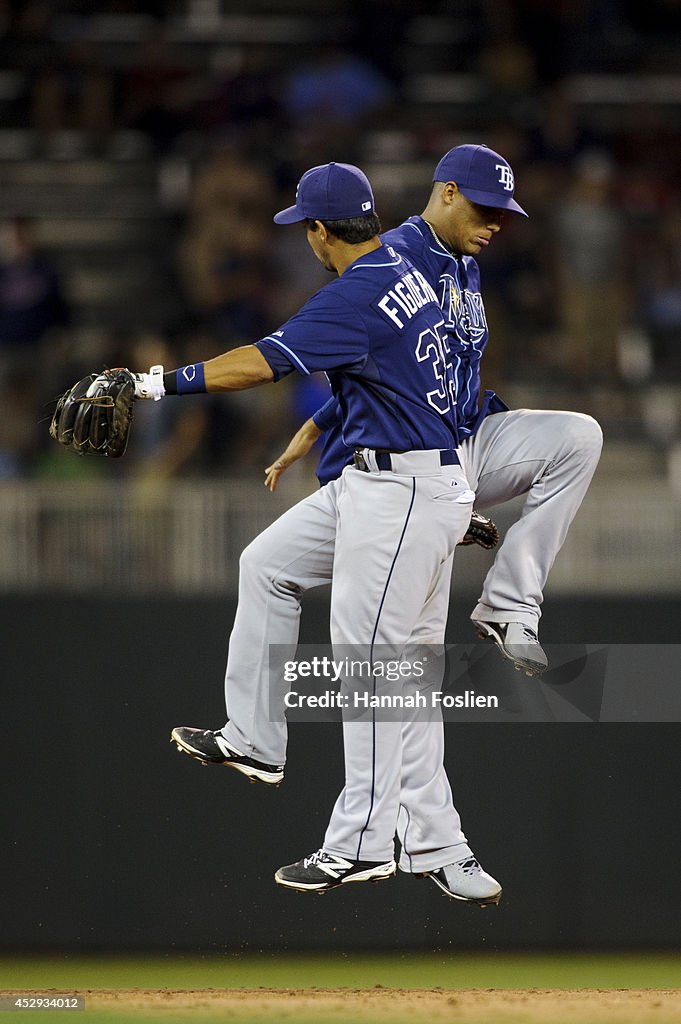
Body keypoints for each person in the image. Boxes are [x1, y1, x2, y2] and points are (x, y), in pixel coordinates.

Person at [132, 161, 502, 905]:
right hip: (385, 482)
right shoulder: (408, 271)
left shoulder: (362, 289)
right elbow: (418, 383)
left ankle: (361, 844)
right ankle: (257, 740)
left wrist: (153, 383)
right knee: (267, 564)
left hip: (399, 489)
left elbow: (259, 363)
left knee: (375, 669)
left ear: (316, 232)